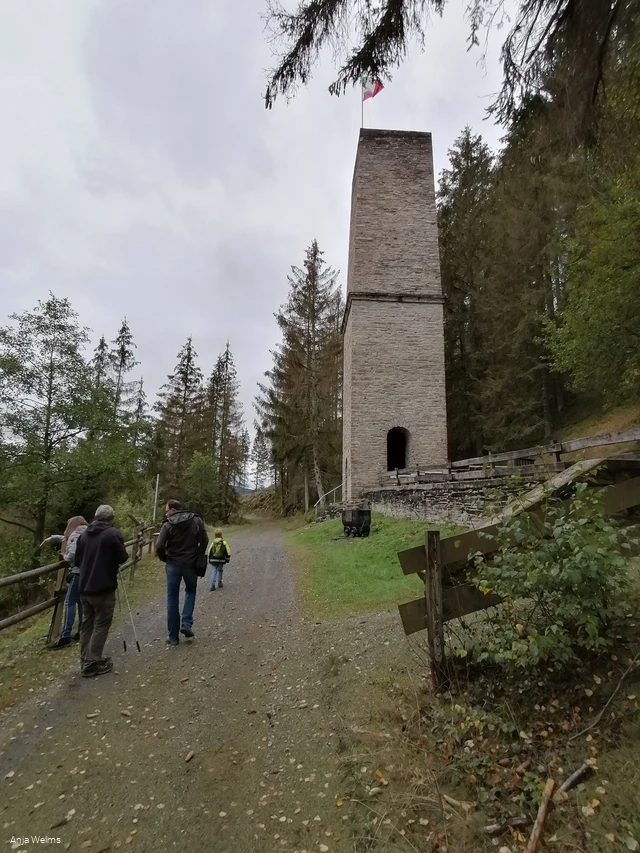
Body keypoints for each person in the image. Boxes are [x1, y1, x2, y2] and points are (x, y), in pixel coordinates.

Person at [76, 505, 128, 678]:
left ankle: (85, 660)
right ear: (110, 518)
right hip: (103, 587)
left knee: (86, 624)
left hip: (84, 588)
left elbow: (77, 561)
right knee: (101, 625)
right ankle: (92, 663)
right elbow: (122, 557)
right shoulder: (112, 534)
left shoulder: (83, 535)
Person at [155, 500, 208, 646]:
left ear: (172, 509)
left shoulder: (168, 524)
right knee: (190, 591)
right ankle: (186, 624)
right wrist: (199, 554)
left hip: (173, 564)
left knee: (172, 597)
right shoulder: (196, 520)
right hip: (191, 564)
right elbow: (204, 540)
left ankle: (172, 636)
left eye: (166, 510)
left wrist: (165, 558)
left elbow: (159, 545)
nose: (165, 513)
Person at [48, 516, 88, 649]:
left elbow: (72, 554)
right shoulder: (88, 533)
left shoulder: (76, 535)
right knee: (82, 602)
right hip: (87, 573)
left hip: (77, 573)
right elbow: (64, 538)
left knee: (69, 602)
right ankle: (82, 631)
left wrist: (64, 556)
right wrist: (54, 538)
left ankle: (65, 635)